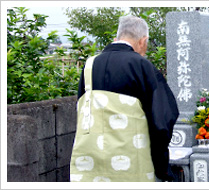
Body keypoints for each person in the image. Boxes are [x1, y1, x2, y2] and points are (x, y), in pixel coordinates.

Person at [70, 15, 179, 182]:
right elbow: (162, 119)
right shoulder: (142, 66)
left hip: (91, 163)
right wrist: (162, 166)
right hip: (131, 163)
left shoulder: (89, 65)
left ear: (117, 37)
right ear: (143, 41)